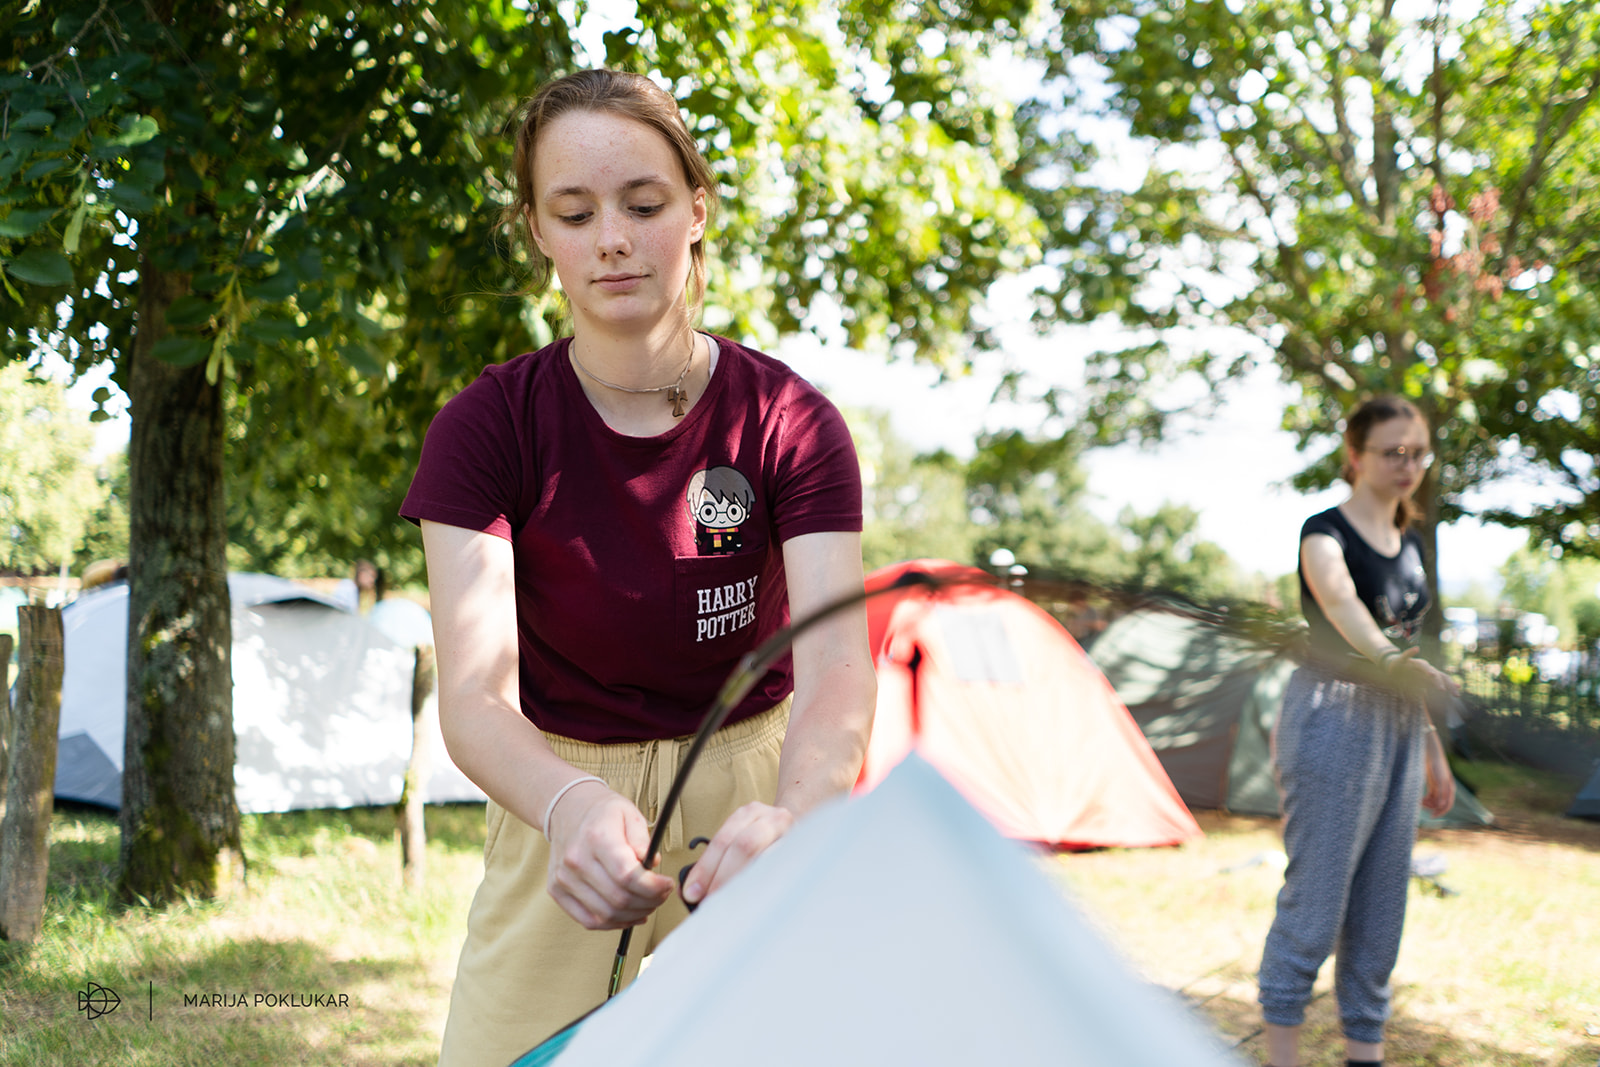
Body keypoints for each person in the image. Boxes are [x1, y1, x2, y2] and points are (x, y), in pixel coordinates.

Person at [400, 69, 877, 1066]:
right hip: (559, 793)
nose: (611, 238)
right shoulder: (484, 427)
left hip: (753, 779)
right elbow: (475, 697)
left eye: (644, 204)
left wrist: (796, 815)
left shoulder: (792, 421)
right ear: (538, 231)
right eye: (575, 213)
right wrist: (568, 803)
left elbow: (837, 666)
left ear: (696, 210)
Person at [1257, 395, 1458, 1067]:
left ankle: (1363, 1056)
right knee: (1315, 909)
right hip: (1333, 714)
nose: (1408, 464)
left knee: (1379, 916)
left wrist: (1430, 747)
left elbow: (1409, 651)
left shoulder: (1413, 545)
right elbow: (1343, 605)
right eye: (1392, 451)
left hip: (1398, 725)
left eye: (1418, 452)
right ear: (1355, 455)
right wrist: (1392, 662)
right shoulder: (1324, 533)